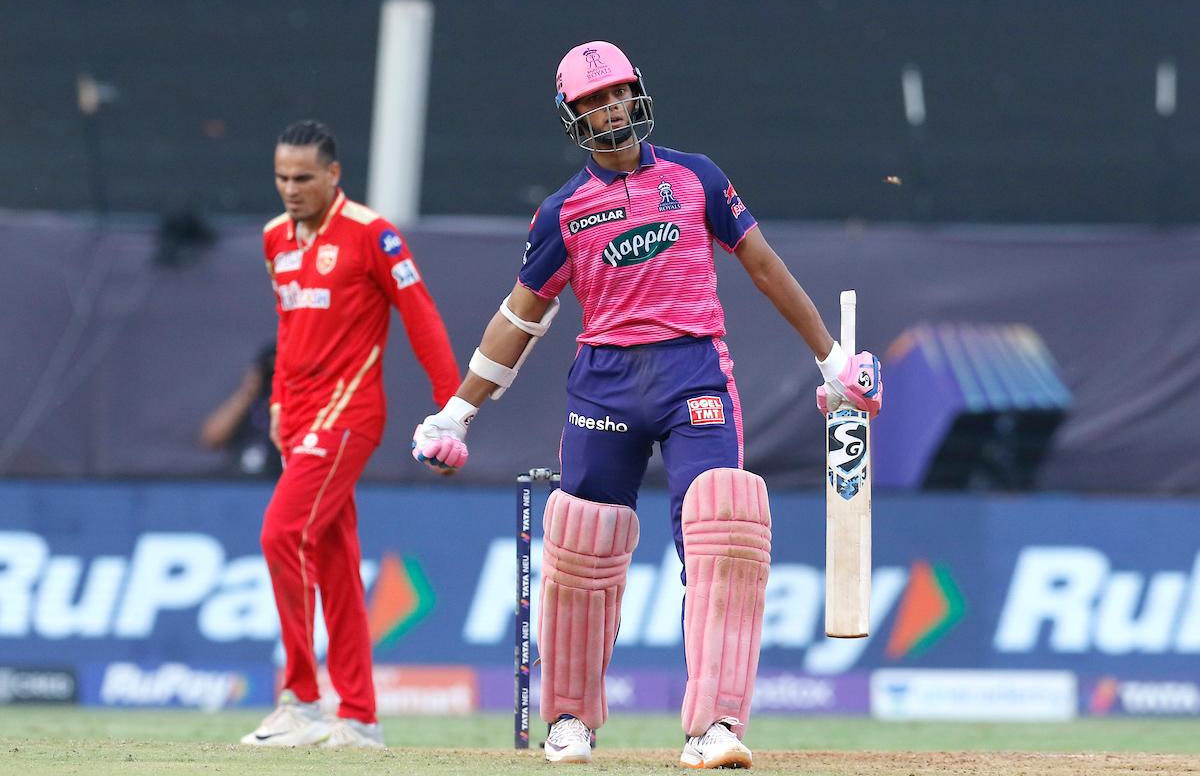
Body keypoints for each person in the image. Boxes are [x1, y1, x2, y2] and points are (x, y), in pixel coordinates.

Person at [411, 42, 883, 768]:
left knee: (725, 530)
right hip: (603, 382)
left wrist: (831, 360)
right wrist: (457, 412)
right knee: (580, 547)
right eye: (594, 100)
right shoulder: (563, 211)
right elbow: (520, 319)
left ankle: (715, 728)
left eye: (619, 93)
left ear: (637, 95)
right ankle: (569, 722)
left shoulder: (697, 178)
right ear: (573, 116)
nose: (611, 108)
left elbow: (762, 265)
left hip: (694, 372)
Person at [241, 120, 460, 749]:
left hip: (349, 415)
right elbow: (287, 329)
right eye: (282, 177)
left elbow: (423, 322)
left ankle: (301, 699)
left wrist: (453, 412)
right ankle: (360, 717)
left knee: (282, 532)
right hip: (300, 418)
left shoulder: (373, 235)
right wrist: (278, 401)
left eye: (303, 177)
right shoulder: (274, 238)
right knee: (332, 560)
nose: (290, 188)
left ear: (333, 175)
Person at [199, 343, 283, 479]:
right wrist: (248, 391)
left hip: (277, 477)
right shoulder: (249, 401)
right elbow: (211, 438)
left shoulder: (297, 404)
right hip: (240, 478)